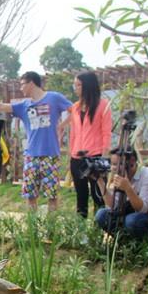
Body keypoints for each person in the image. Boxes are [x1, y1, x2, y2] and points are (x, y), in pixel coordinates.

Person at [0, 71, 72, 212]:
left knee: (52, 195)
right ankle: (32, 229)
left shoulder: (54, 98)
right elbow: (2, 107)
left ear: (31, 83)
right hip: (31, 155)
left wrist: (62, 126)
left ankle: (51, 230)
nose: (20, 88)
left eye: (22, 84)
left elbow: (74, 110)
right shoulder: (24, 105)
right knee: (30, 195)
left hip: (50, 155)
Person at [62, 71, 113, 218]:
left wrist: (103, 158)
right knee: (81, 196)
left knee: (98, 195)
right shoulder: (75, 107)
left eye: (78, 85)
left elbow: (106, 133)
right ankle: (81, 230)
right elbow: (73, 133)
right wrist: (70, 155)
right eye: (75, 85)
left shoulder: (103, 105)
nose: (76, 88)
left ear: (87, 86)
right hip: (77, 157)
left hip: (96, 155)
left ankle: (98, 230)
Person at [95, 148, 148, 239]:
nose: (113, 168)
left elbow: (143, 209)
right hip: (134, 217)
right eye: (112, 164)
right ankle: (124, 245)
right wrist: (98, 180)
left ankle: (146, 247)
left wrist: (128, 188)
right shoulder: (121, 175)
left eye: (117, 164)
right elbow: (113, 206)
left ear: (132, 162)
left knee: (132, 220)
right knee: (102, 215)